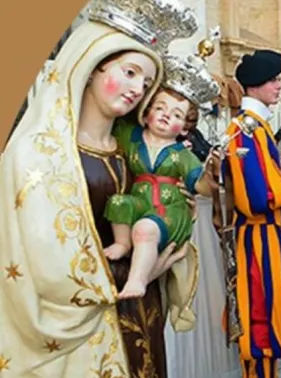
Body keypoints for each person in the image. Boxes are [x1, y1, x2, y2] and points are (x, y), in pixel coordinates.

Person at [0, 0, 200, 375]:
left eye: (145, 83)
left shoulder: (130, 152)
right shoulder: (39, 153)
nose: (136, 89)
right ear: (91, 65)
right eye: (128, 72)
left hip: (140, 311)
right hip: (79, 334)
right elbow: (43, 258)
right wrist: (144, 272)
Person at [221, 49, 281, 378]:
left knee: (274, 313)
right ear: (256, 85)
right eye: (274, 80)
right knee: (261, 320)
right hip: (259, 235)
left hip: (268, 234)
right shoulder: (246, 130)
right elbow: (254, 198)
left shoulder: (255, 126)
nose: (279, 85)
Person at [103, 50, 221, 299]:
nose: (167, 115)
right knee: (118, 203)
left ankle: (137, 280)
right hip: (138, 201)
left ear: (185, 127)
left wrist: (212, 174)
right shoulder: (131, 137)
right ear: (146, 113)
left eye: (177, 115)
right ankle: (122, 244)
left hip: (168, 209)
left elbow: (202, 187)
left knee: (145, 229)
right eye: (160, 108)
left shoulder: (182, 155)